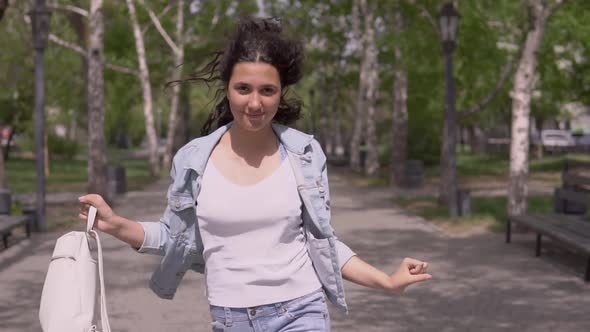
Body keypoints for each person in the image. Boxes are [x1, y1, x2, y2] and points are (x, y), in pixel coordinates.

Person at [78, 17, 432, 332]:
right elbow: (175, 237)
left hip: (302, 310)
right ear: (228, 88)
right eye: (243, 88)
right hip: (230, 318)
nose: (255, 102)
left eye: (268, 90)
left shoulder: (304, 154)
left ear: (281, 93)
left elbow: (322, 243)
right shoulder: (193, 160)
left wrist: (387, 281)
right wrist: (116, 225)